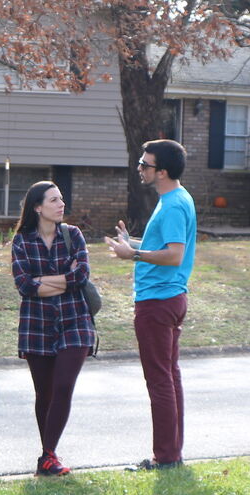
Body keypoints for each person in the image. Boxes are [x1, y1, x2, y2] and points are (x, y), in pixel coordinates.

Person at [105, 139, 197, 470]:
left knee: (159, 380)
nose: (140, 169)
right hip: (169, 298)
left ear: (163, 171)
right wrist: (132, 243)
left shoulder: (172, 205)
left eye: (145, 165)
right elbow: (165, 245)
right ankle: (172, 453)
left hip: (158, 302)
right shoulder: (174, 198)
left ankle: (166, 457)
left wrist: (134, 254)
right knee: (169, 377)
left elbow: (174, 255)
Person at [10, 180, 96, 476]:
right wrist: (63, 278)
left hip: (76, 321)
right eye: (53, 200)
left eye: (61, 199)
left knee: (62, 386)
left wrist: (44, 282)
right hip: (36, 325)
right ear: (37, 207)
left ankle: (48, 455)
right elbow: (24, 285)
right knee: (44, 393)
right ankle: (48, 456)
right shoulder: (22, 240)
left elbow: (81, 276)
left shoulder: (73, 235)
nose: (61, 205)